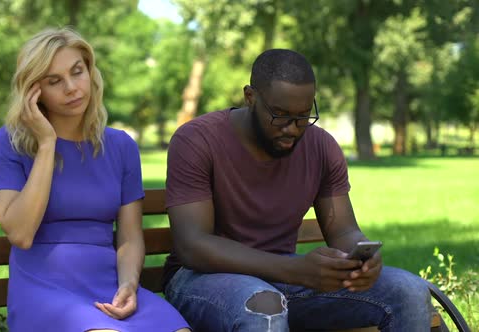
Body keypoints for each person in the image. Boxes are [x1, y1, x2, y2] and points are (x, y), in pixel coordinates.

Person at [162, 49, 433, 331]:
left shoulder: (321, 147)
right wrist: (295, 271)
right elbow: (193, 246)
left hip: (285, 280)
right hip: (202, 278)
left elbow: (342, 231)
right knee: (264, 307)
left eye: (303, 116)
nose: (292, 129)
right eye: (280, 116)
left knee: (408, 290)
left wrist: (361, 259)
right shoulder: (197, 140)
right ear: (250, 97)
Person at [0, 27, 189, 332]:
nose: (71, 87)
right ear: (33, 92)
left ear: (90, 73)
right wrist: (46, 145)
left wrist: (128, 285)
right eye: (54, 81)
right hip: (43, 291)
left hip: (108, 287)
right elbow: (20, 233)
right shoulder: (9, 143)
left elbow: (130, 237)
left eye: (77, 72)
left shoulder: (121, 146)